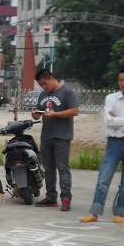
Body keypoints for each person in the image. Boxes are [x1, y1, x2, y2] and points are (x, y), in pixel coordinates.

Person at [80, 67, 124, 224]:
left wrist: (119, 122)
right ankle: (95, 213)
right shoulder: (111, 98)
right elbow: (109, 121)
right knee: (103, 179)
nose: (123, 83)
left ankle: (120, 211)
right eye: (121, 80)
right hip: (113, 144)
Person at [31, 69, 80, 211]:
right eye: (41, 85)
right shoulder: (43, 95)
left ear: (52, 78)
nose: (43, 87)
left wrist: (55, 114)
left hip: (62, 137)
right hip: (46, 136)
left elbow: (74, 111)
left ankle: (66, 198)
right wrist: (35, 115)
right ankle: (51, 197)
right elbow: (39, 114)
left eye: (45, 83)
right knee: (49, 169)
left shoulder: (67, 93)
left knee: (63, 168)